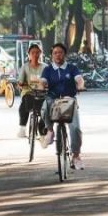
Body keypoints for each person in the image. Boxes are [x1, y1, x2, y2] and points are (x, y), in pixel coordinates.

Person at [38, 42, 86, 170]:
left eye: (60, 52)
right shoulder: (47, 70)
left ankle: (76, 156)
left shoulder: (72, 68)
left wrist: (80, 85)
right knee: (44, 106)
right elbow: (42, 82)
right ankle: (50, 130)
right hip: (53, 100)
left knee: (75, 128)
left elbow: (79, 79)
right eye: (55, 53)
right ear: (52, 55)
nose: (58, 55)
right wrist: (41, 87)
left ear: (65, 54)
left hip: (69, 100)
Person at [17, 43, 45, 139]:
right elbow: (20, 81)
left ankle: (42, 129)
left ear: (40, 54)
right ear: (28, 54)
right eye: (33, 53)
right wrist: (21, 84)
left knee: (47, 108)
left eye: (37, 52)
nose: (35, 55)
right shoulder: (25, 67)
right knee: (24, 105)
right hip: (28, 91)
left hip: (42, 92)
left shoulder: (45, 67)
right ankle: (22, 128)